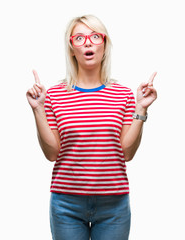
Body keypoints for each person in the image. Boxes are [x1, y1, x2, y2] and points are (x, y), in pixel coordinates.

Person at [26, 14, 157, 240]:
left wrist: (141, 109)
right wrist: (38, 109)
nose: (88, 42)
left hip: (113, 205)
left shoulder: (123, 94)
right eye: (79, 38)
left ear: (104, 46)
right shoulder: (54, 96)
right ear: (71, 49)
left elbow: (127, 153)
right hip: (66, 204)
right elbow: (51, 154)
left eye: (95, 36)